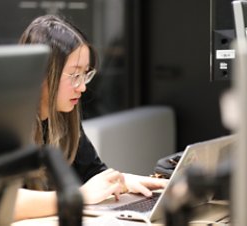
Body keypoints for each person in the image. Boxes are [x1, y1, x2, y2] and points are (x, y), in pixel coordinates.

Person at [13, 15, 168, 221]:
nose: (83, 87)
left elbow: (92, 172)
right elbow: (1, 202)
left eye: (85, 74)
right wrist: (78, 196)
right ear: (42, 74)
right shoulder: (7, 126)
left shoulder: (65, 118)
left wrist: (121, 181)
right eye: (74, 75)